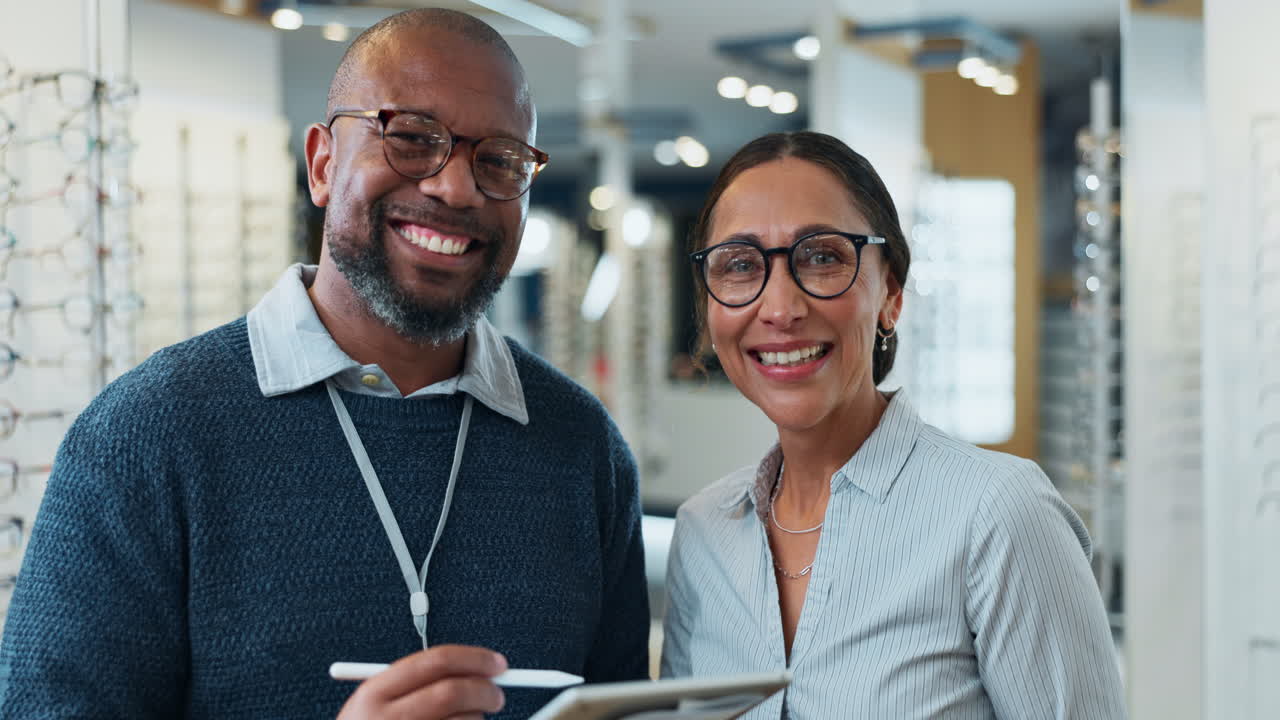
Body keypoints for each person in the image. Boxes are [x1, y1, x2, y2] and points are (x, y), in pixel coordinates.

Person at [0, 9, 649, 718]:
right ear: (322, 164)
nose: (456, 189)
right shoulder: (147, 436)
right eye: (411, 138)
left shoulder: (580, 449)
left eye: (499, 161)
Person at [660, 131, 1125, 718]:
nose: (779, 309)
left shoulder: (999, 515)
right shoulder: (704, 532)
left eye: (822, 257)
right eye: (739, 265)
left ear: (891, 294)